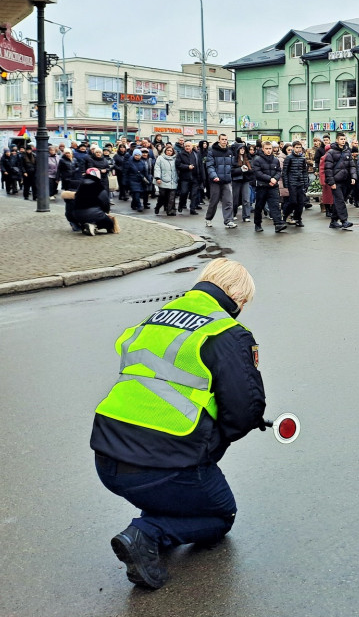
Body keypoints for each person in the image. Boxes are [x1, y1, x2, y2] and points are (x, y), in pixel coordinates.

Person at [91, 259, 266, 590]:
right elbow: (244, 412)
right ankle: (147, 534)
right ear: (238, 298)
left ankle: (159, 512)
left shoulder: (155, 318)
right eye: (244, 303)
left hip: (106, 456)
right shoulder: (226, 331)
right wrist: (208, 448)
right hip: (161, 464)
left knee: (177, 489)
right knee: (220, 515)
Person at [251, 142, 287, 233]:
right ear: (263, 149)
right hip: (262, 186)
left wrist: (275, 179)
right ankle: (257, 224)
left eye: (270, 148)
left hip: (273, 186)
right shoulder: (257, 160)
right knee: (259, 206)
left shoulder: (275, 160)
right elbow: (258, 173)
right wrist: (270, 179)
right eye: (266, 148)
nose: (268, 150)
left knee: (275, 205)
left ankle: (278, 224)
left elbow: (279, 171)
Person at [324, 133, 356, 230]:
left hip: (346, 181)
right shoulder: (331, 153)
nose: (343, 140)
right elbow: (328, 169)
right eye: (341, 139)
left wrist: (353, 177)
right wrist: (331, 182)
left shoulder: (347, 152)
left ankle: (333, 221)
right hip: (336, 181)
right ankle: (344, 220)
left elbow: (352, 166)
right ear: (337, 140)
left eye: (344, 139)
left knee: (339, 201)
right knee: (340, 201)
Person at [72, 167, 118, 235]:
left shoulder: (81, 185)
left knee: (88, 216)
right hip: (93, 213)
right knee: (110, 223)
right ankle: (93, 225)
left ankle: (86, 225)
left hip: (77, 214)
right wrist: (106, 211)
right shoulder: (99, 186)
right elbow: (105, 202)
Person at [204, 134, 236, 229]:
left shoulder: (230, 152)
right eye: (222, 139)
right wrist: (214, 176)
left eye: (226, 139)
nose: (224, 141)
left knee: (228, 201)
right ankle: (208, 218)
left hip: (227, 181)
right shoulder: (212, 151)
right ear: (218, 140)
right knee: (214, 201)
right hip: (216, 181)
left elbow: (232, 166)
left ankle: (228, 221)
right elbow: (210, 166)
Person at [282, 140, 309, 227]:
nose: (298, 149)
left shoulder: (303, 158)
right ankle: (285, 215)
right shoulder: (289, 158)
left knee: (301, 202)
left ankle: (298, 218)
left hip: (300, 182)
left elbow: (304, 171)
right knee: (293, 201)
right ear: (293, 148)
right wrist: (286, 184)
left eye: (299, 147)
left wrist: (305, 182)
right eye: (296, 147)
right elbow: (285, 171)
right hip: (292, 182)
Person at [176, 140, 201, 215]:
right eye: (186, 146)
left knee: (194, 194)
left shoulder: (196, 154)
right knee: (184, 192)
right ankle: (181, 204)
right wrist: (187, 167)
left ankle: (192, 209)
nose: (187, 147)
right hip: (185, 177)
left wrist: (202, 177)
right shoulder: (180, 154)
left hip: (195, 177)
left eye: (188, 146)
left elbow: (200, 165)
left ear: (192, 147)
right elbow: (178, 165)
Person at [154, 144, 178, 216]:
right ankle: (158, 207)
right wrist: (158, 177)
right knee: (162, 196)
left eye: (171, 151)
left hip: (173, 180)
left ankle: (170, 211)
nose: (169, 152)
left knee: (171, 197)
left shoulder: (175, 159)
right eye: (168, 150)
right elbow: (157, 168)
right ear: (165, 151)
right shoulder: (160, 158)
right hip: (163, 180)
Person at [231, 144, 252, 223]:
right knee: (235, 199)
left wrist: (248, 170)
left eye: (244, 148)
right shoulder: (234, 159)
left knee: (246, 199)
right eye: (241, 149)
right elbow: (231, 171)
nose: (242, 150)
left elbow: (251, 170)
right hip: (236, 180)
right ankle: (233, 214)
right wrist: (240, 169)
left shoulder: (247, 158)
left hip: (245, 180)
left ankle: (246, 216)